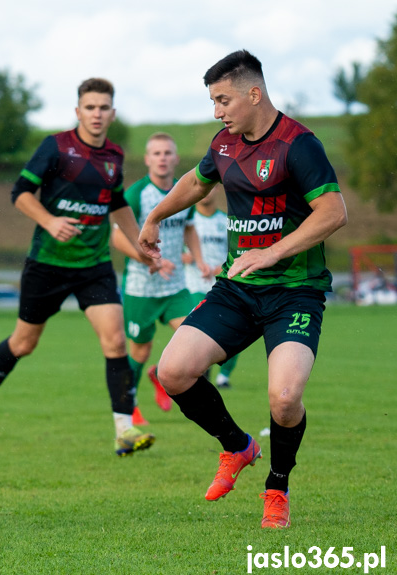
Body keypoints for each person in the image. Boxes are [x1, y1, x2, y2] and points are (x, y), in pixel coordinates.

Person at [138, 50, 347, 529]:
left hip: (294, 291)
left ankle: (277, 486)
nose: (217, 112)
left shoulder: (300, 145)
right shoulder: (225, 143)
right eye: (213, 101)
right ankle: (237, 447)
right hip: (238, 288)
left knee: (284, 398)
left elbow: (334, 213)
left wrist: (273, 252)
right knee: (172, 372)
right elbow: (196, 181)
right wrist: (154, 216)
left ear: (254, 94)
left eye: (223, 100)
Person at [0, 77, 156, 457]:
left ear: (112, 114)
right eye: (90, 107)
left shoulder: (114, 157)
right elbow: (20, 192)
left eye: (103, 108)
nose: (97, 114)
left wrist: (142, 246)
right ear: (78, 111)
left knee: (115, 340)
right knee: (24, 343)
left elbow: (118, 206)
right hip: (47, 265)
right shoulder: (56, 147)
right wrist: (50, 221)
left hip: (94, 265)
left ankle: (124, 429)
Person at [110, 132, 208, 425]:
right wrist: (147, 258)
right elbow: (117, 237)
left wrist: (200, 260)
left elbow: (189, 227)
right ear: (147, 159)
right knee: (140, 350)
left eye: (168, 153)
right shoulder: (138, 194)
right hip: (141, 288)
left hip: (176, 285)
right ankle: (129, 404)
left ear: (176, 159)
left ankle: (164, 377)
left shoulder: (184, 191)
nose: (163, 158)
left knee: (198, 340)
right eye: (157, 153)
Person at [182, 188, 239, 389]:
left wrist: (220, 268)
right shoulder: (187, 220)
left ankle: (223, 376)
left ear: (217, 190)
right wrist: (185, 257)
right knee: (199, 330)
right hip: (193, 285)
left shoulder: (226, 221)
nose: (206, 192)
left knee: (232, 329)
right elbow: (170, 249)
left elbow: (237, 253)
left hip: (222, 284)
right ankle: (199, 375)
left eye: (211, 186)